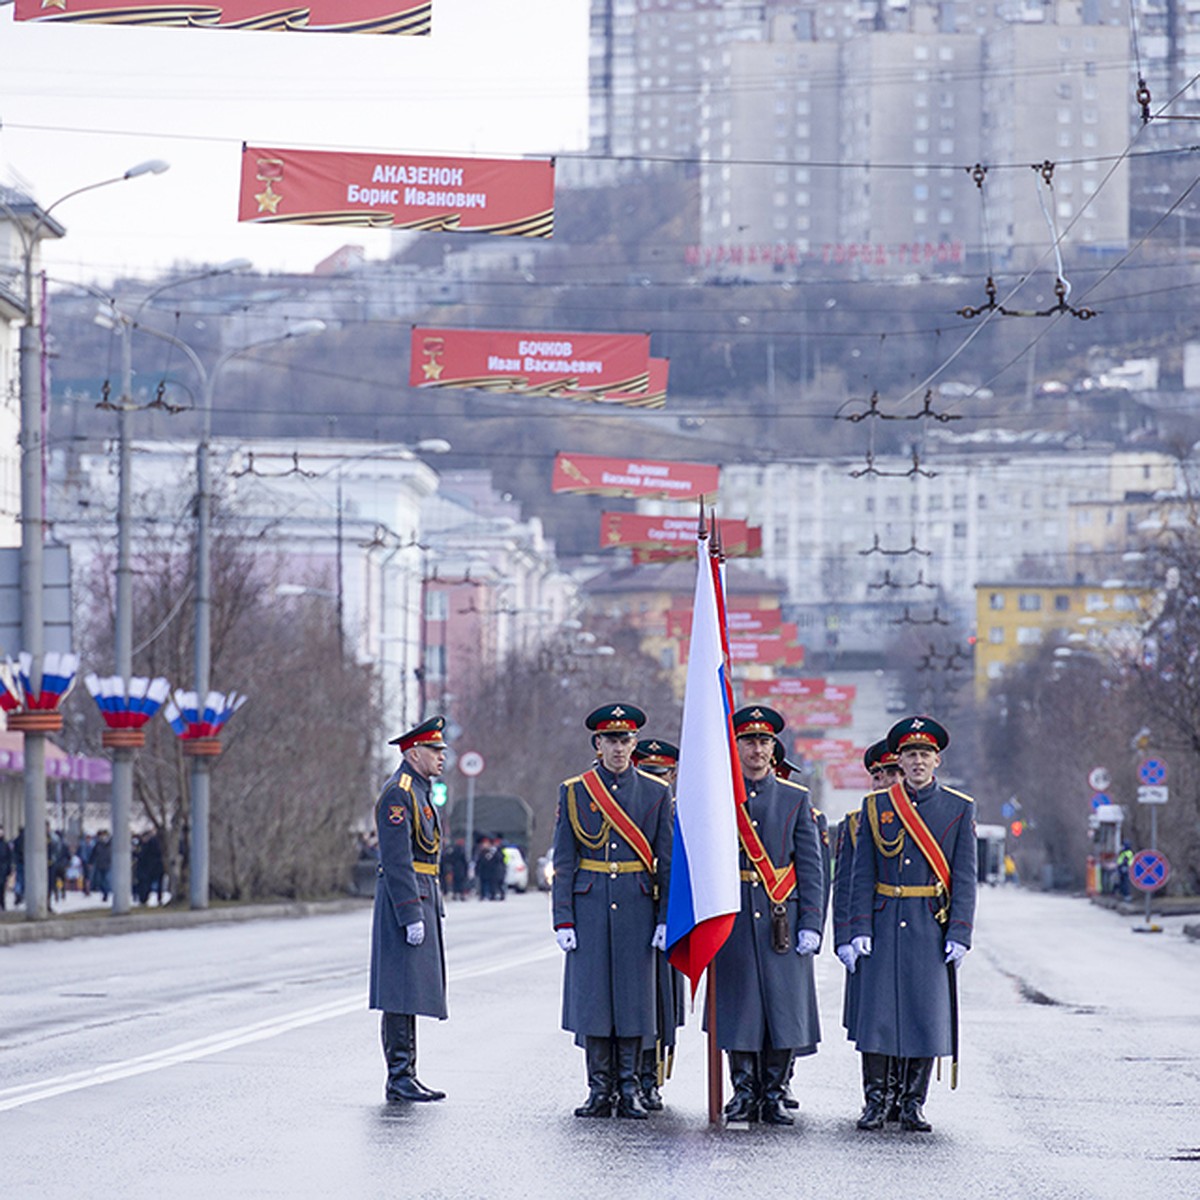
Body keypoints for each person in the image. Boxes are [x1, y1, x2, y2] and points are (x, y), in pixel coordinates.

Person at [847, 715, 977, 1134]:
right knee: (878, 1016)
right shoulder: (877, 807)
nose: (917, 761)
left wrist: (959, 932)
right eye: (909, 754)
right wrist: (858, 928)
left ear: (937, 760)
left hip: (929, 925)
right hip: (885, 921)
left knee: (924, 1016)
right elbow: (861, 873)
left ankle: (912, 1103)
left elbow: (965, 878)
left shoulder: (959, 809)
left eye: (924, 754)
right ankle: (875, 1100)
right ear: (899, 761)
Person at [552, 703, 673, 1119]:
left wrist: (664, 918)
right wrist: (563, 918)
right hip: (590, 905)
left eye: (625, 740)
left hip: (638, 904)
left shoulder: (656, 792)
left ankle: (631, 1086)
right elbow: (565, 861)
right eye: (611, 741)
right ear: (597, 744)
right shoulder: (576, 791)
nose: (619, 748)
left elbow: (667, 861)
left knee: (634, 1001)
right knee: (595, 1002)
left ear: (634, 743)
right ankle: (599, 1089)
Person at [709, 705, 825, 1126]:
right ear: (735, 747)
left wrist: (811, 922)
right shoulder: (720, 796)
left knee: (782, 1008)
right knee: (738, 1006)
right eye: (748, 742)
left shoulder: (796, 798)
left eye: (764, 742)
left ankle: (773, 1092)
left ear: (774, 748)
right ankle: (743, 1091)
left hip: (782, 917)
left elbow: (811, 867)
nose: (757, 749)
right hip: (733, 914)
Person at [369, 715, 450, 1104]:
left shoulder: (420, 790)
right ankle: (398, 1076)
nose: (441, 757)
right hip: (407, 896)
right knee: (400, 991)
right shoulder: (399, 793)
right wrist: (410, 912)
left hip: (423, 892)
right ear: (413, 751)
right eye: (435, 750)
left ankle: (408, 1074)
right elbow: (397, 859)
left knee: (412, 989)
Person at [835, 739, 905, 1130]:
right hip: (871, 930)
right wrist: (844, 936)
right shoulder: (858, 821)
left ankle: (903, 1097)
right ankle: (875, 1098)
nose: (884, 781)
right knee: (876, 1020)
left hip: (911, 930)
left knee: (911, 1017)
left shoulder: (924, 815)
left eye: (891, 773)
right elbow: (845, 883)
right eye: (878, 775)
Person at [630, 736, 686, 1111]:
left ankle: (652, 1078)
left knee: (662, 1002)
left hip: (669, 914)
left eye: (663, 773)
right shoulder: (632, 804)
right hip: (635, 911)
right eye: (649, 772)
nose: (658, 780)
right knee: (633, 1000)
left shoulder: (685, 810)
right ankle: (631, 1075)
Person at [0, 825, 11, 911]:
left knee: (2, 886)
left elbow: (9, 856)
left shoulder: (5, 844)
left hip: (3, 867)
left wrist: (9, 868)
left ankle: (2, 903)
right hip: (3, 866)